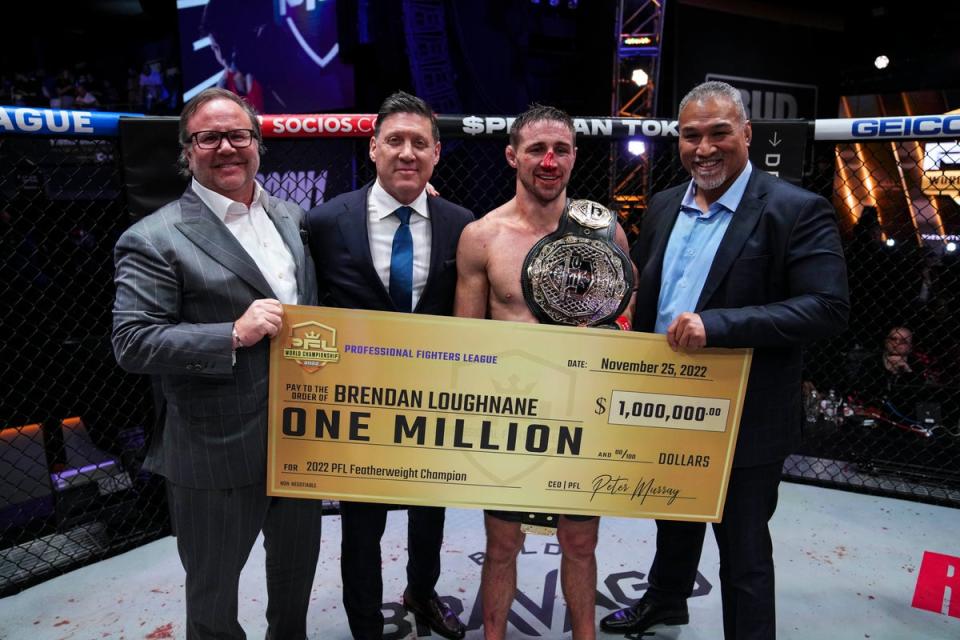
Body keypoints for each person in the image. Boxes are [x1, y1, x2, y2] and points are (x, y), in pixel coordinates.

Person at [599, 81, 849, 640]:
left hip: (746, 411)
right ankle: (666, 601)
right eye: (691, 136)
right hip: (665, 403)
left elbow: (827, 308)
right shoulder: (665, 204)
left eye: (719, 133)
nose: (704, 148)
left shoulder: (795, 209)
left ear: (747, 135)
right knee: (673, 518)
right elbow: (645, 294)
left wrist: (720, 326)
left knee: (743, 552)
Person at [112, 88, 323, 639]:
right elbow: (132, 341)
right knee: (212, 599)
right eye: (209, 137)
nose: (227, 147)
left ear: (258, 143)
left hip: (299, 440)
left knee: (296, 582)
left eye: (239, 135)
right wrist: (231, 333)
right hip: (214, 451)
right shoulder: (152, 238)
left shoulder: (289, 215)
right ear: (188, 149)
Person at [454, 104, 635, 640]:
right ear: (513, 155)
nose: (549, 160)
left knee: (580, 544)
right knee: (503, 544)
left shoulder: (608, 236)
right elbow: (466, 342)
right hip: (510, 412)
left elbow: (626, 329)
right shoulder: (482, 237)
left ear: (575, 157)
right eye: (536, 149)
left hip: (580, 414)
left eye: (561, 149)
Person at [305, 91, 472, 640]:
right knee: (361, 526)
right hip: (358, 403)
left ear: (436, 154)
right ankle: (364, 627)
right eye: (395, 140)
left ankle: (422, 596)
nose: (407, 152)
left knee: (430, 513)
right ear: (373, 147)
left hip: (433, 399)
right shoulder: (326, 221)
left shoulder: (460, 223)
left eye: (419, 143)